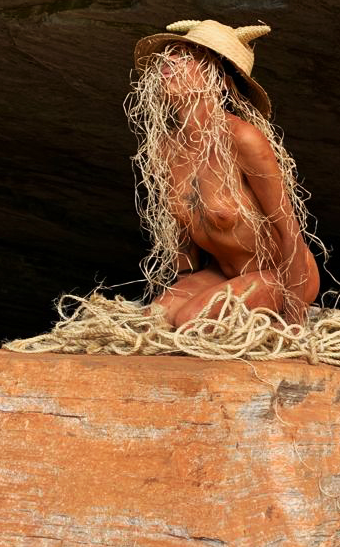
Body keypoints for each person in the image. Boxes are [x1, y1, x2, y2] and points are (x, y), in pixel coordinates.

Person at [129, 20, 320, 327]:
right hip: (221, 273)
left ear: (219, 81)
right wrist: (183, 285)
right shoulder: (164, 149)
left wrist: (295, 321)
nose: (169, 62)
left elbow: (289, 232)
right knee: (153, 320)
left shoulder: (242, 139)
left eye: (188, 57)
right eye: (170, 55)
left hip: (280, 274)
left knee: (191, 321)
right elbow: (181, 238)